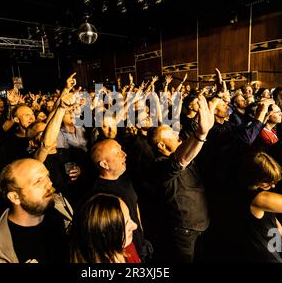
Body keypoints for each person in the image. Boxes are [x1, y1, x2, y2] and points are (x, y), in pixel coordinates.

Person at [148, 94, 214, 262]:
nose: (177, 136)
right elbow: (180, 160)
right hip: (186, 231)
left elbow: (189, 135)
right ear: (162, 145)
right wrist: (201, 134)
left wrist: (204, 116)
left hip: (203, 222)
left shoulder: (182, 147)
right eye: (172, 135)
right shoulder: (159, 166)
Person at [0, 158, 71, 263]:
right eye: (38, 181)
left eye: (47, 176)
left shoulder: (57, 206)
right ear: (15, 197)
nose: (49, 184)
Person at [70, 193, 139, 263]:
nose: (135, 226)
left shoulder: (128, 247)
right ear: (104, 235)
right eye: (126, 225)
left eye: (130, 217)